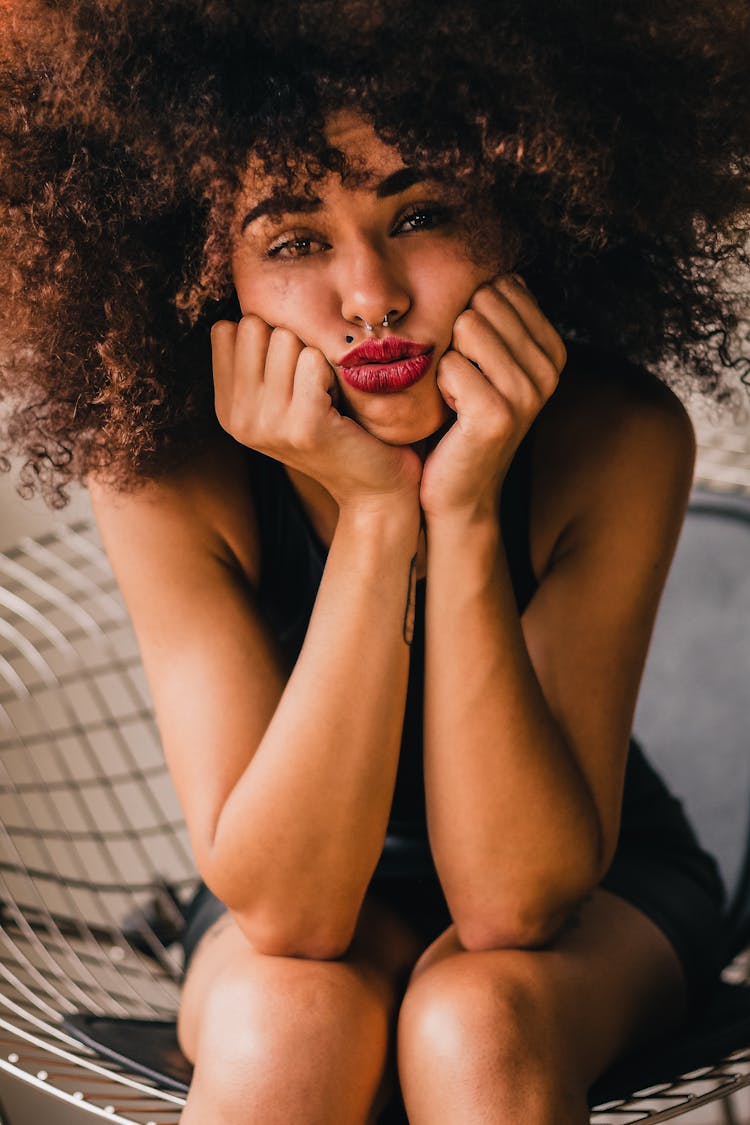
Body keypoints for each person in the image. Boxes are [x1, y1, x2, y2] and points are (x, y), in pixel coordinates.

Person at [1, 2, 748, 1121]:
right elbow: (294, 917)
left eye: (425, 212)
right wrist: (373, 514)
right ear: (211, 279)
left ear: (528, 217)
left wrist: (467, 506)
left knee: (477, 1020)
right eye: (294, 240)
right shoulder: (164, 470)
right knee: (283, 1023)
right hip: (288, 882)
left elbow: (514, 907)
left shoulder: (614, 436)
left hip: (592, 885)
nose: (372, 294)